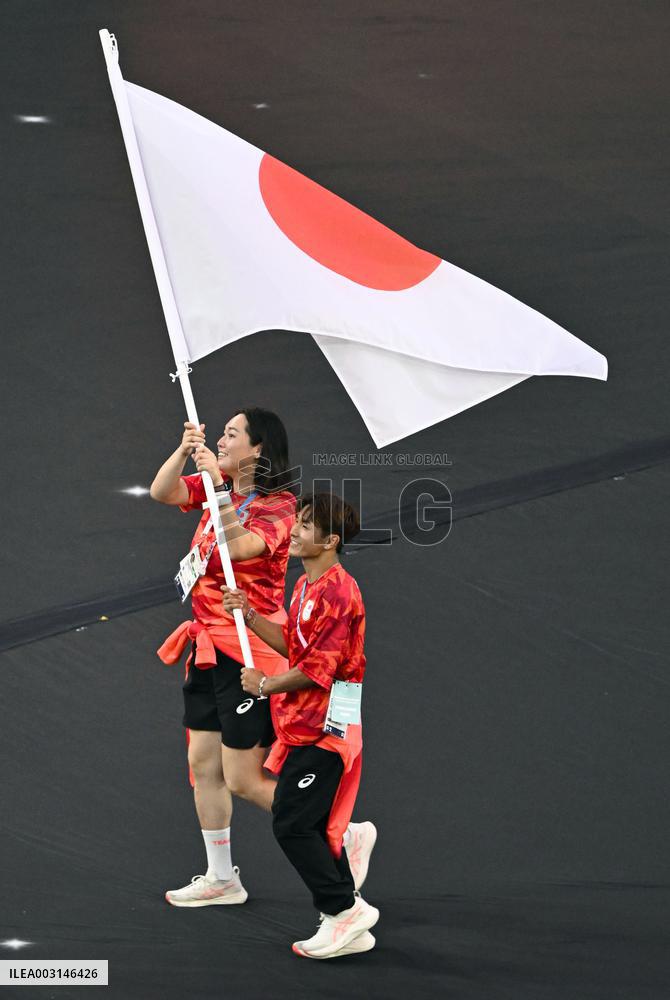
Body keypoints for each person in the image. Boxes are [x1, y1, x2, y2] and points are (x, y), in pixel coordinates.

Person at [150, 407, 296, 907]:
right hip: (207, 646)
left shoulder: (278, 504)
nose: (224, 440)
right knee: (202, 764)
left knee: (244, 780)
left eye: (232, 434)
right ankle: (222, 878)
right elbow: (162, 492)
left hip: (248, 652)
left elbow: (242, 547)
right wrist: (185, 446)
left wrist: (215, 483)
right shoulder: (221, 490)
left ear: (258, 449)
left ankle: (339, 834)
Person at [222, 492, 378, 959]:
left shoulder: (338, 592)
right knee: (306, 819)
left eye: (307, 526)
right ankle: (350, 915)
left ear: (330, 541)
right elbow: (296, 646)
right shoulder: (307, 585)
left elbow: (318, 671)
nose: (295, 530)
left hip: (330, 725)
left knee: (292, 823)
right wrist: (248, 615)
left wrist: (264, 685)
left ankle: (344, 911)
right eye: (299, 521)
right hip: (306, 722)